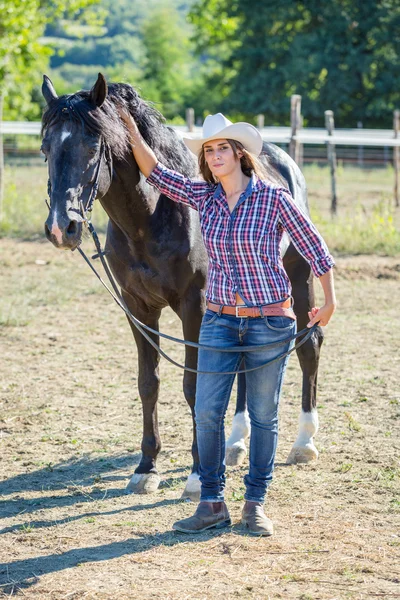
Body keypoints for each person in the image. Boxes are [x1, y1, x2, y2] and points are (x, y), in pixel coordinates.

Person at [120, 110, 336, 536]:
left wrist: (329, 302)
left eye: (223, 149)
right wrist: (129, 128)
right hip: (219, 318)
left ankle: (254, 503)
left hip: (269, 321)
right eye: (209, 151)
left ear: (240, 154)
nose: (215, 156)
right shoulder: (204, 197)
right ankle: (212, 502)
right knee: (207, 409)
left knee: (262, 415)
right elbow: (157, 174)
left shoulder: (273, 198)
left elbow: (316, 247)